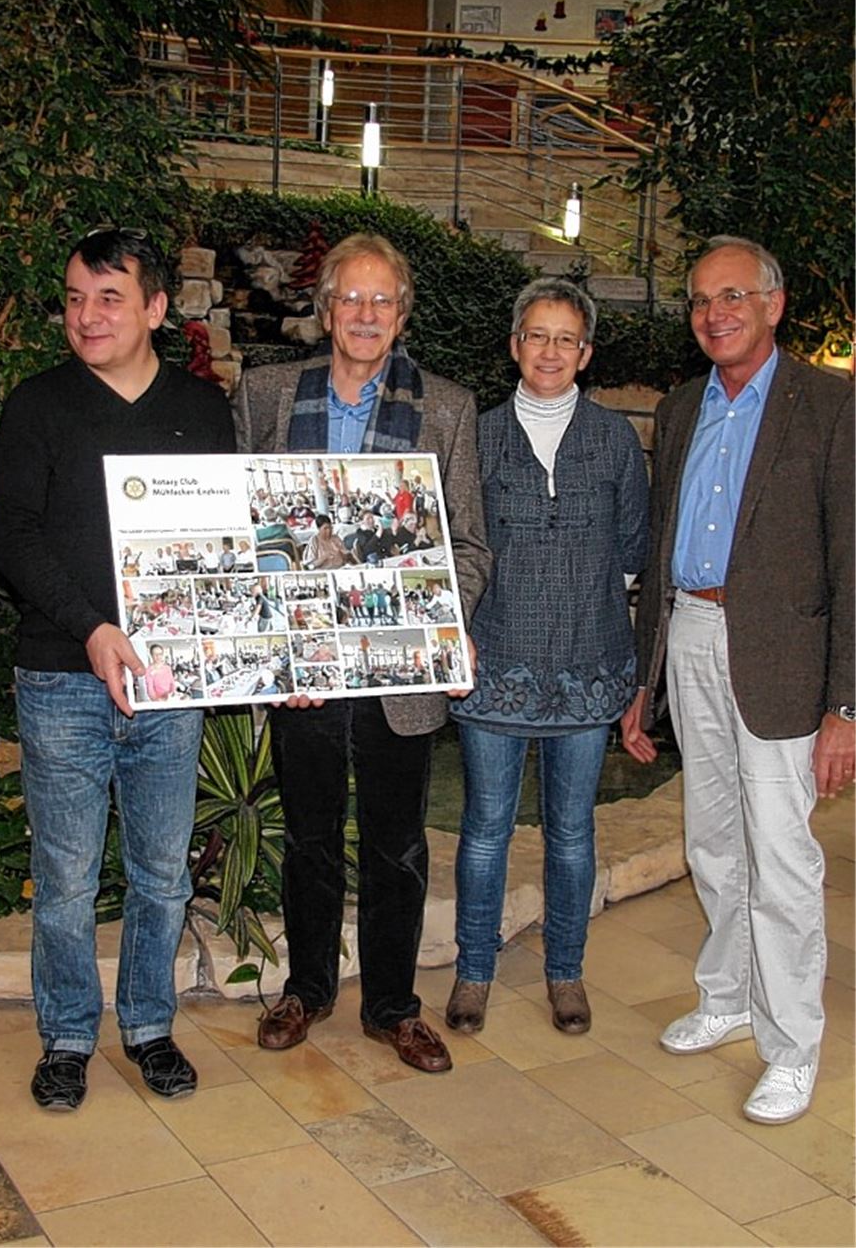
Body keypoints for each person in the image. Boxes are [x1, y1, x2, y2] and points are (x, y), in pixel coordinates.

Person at [0, 226, 235, 1111]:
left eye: (109, 298)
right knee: (64, 873)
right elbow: (10, 536)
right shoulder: (38, 404)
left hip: (170, 682)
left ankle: (147, 1024)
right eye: (74, 298)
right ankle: (64, 1035)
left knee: (164, 869)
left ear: (157, 310)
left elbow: (227, 548)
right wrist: (92, 628)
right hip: (62, 673)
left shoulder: (204, 412)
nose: (87, 316)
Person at [236, 233, 491, 1073]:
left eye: (383, 301)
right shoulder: (268, 395)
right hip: (302, 668)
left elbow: (470, 549)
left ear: (403, 313)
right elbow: (241, 534)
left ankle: (391, 1005)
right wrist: (274, 645)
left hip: (397, 667)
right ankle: (305, 989)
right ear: (326, 308)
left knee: (397, 843)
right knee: (309, 836)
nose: (366, 315)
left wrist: (441, 625)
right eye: (351, 298)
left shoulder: (446, 408)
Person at [621, 236, 854, 1124]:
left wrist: (847, 707)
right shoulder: (682, 406)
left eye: (733, 296)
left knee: (782, 857)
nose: (715, 313)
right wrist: (646, 677)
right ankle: (725, 995)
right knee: (712, 841)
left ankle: (792, 1042)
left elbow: (854, 563)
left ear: (773, 304)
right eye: (700, 300)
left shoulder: (829, 407)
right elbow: (657, 546)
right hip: (690, 632)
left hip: (781, 659)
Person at [449, 278, 649, 1038]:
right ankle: (474, 971)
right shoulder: (479, 436)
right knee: (485, 830)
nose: (550, 351)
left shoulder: (614, 440)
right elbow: (458, 544)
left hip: (588, 666)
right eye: (537, 335)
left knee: (572, 835)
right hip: (496, 665)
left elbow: (633, 546)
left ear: (586, 353)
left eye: (566, 339)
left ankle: (565, 969)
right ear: (513, 345)